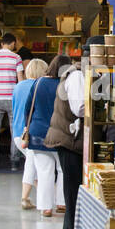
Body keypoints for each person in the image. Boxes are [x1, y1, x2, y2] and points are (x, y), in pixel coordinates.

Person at [44, 54, 86, 229]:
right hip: (69, 142)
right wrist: (99, 110)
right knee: (75, 198)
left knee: (73, 196)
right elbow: (79, 108)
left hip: (66, 140)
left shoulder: (72, 75)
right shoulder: (77, 76)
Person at [18, 56, 68, 218]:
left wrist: (28, 126)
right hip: (61, 133)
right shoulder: (65, 85)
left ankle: (46, 208)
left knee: (44, 172)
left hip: (38, 133)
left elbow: (28, 109)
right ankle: (61, 203)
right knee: (62, 170)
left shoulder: (38, 83)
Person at [11, 58, 47, 209]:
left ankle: (43, 197)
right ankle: (26, 198)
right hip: (31, 133)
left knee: (34, 163)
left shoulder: (18, 86)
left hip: (18, 133)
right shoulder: (39, 86)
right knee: (32, 164)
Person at [0, 33, 22, 169]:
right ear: (13, 43)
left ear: (2, 43)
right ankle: (14, 161)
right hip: (12, 98)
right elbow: (21, 80)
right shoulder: (16, 58)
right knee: (15, 130)